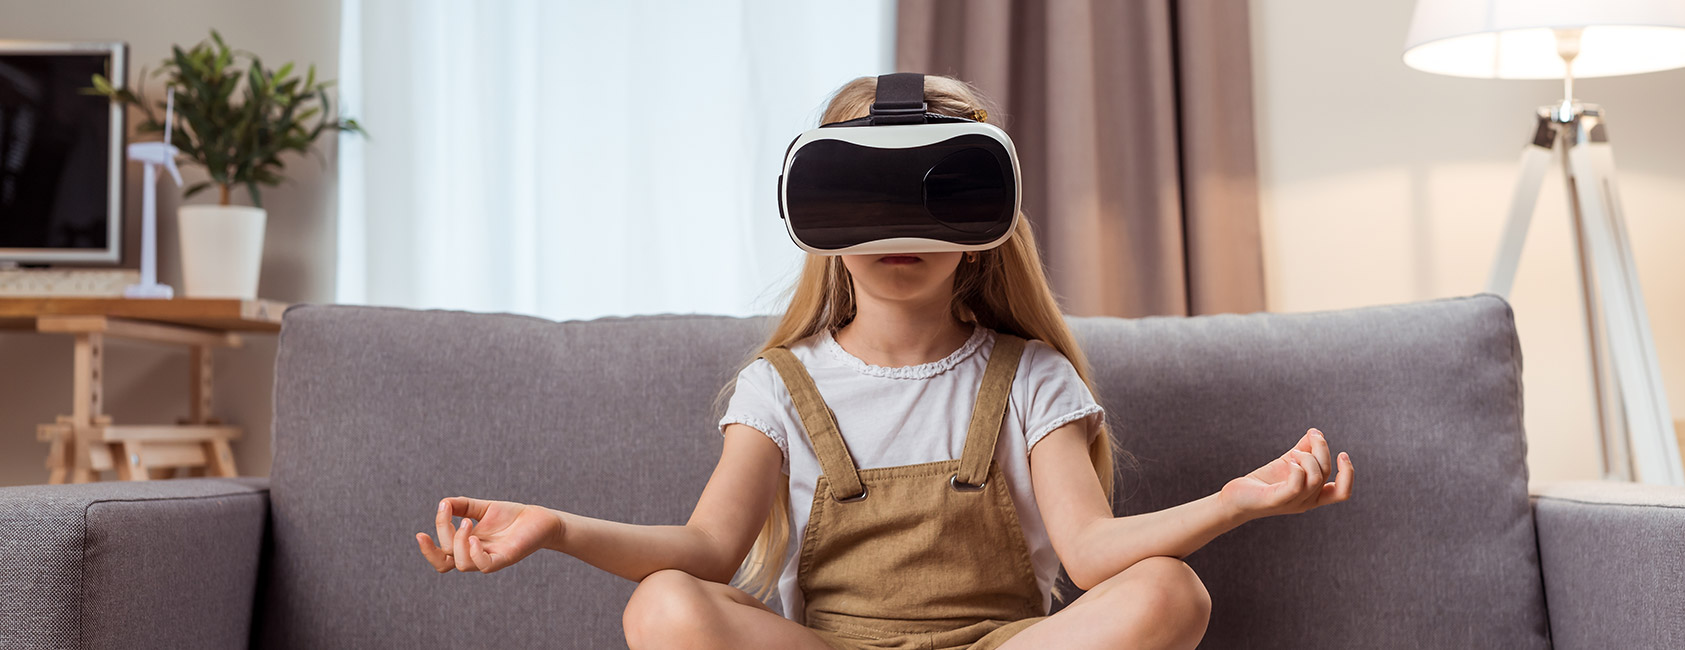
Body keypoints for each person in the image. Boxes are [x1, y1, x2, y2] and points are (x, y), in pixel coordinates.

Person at [415, 74, 1354, 650]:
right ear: (820, 220)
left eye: (933, 195)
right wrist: (556, 527)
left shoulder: (1030, 379)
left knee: (1168, 593)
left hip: (1005, 645)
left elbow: (1093, 555)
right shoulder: (778, 385)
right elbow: (706, 555)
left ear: (981, 228)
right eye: (864, 195)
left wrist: (1237, 501)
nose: (897, 230)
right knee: (664, 607)